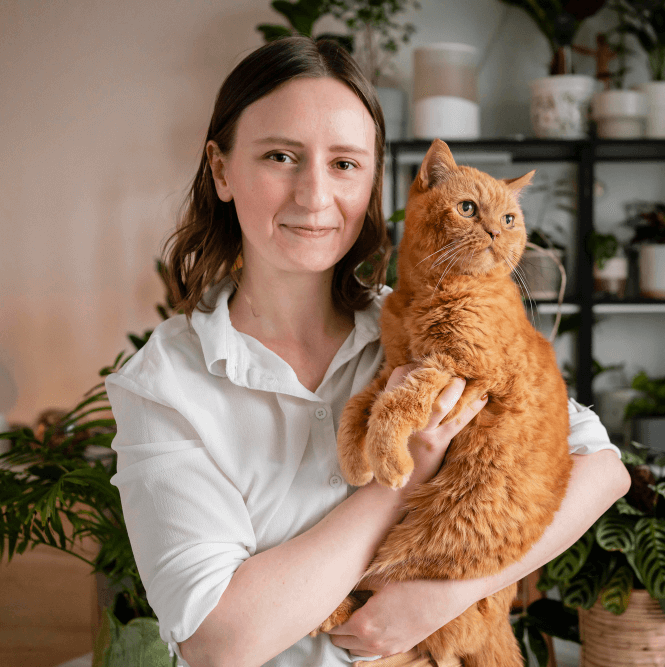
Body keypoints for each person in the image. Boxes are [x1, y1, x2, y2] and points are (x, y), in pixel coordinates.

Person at [106, 36, 631, 667]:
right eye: (280, 156)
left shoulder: (420, 324)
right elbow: (220, 641)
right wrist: (400, 479)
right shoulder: (164, 386)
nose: (314, 195)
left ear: (375, 181)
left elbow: (602, 467)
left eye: (346, 164)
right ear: (221, 169)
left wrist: (442, 597)